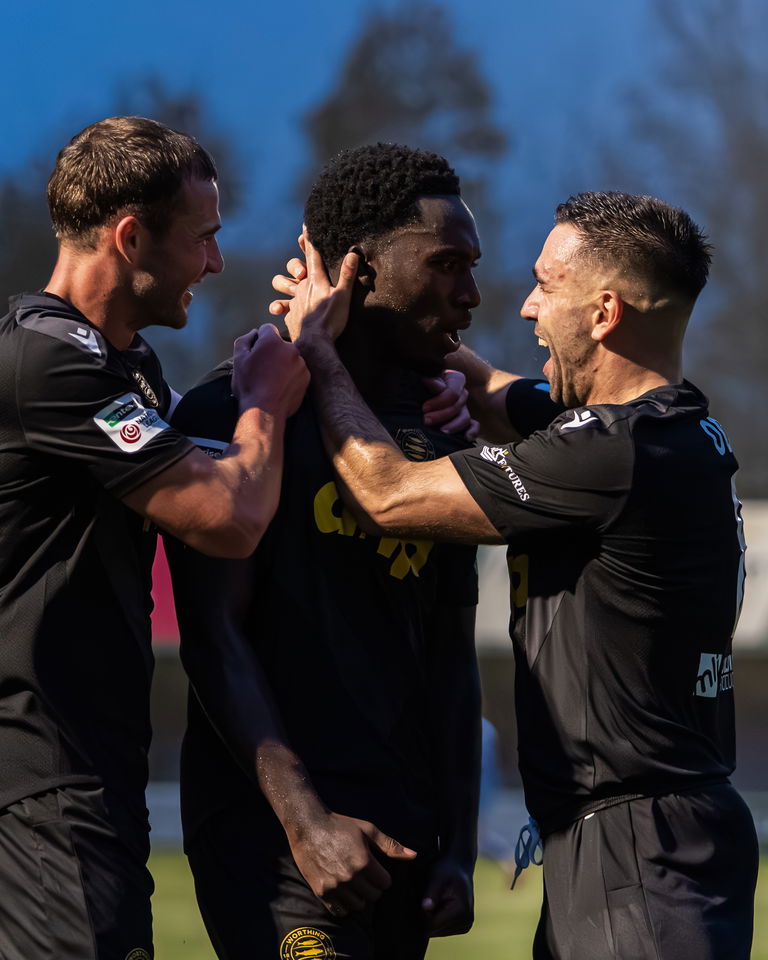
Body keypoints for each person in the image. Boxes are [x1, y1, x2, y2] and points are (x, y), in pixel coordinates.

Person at [273, 191, 759, 960]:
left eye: (546, 285)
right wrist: (405, 323)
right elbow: (497, 391)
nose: (527, 307)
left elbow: (388, 494)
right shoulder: (668, 429)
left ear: (603, 313)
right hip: (649, 839)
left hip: (636, 852)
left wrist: (319, 350)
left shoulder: (607, 453)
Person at [0, 115, 309, 960]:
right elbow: (228, 516)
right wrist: (264, 403)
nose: (213, 262)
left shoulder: (121, 366)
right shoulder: (48, 362)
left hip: (91, 771)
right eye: (203, 238)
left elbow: (202, 458)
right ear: (130, 236)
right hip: (40, 774)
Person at [166, 143, 483, 960]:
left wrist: (456, 839)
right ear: (357, 270)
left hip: (405, 838)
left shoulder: (439, 430)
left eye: (472, 267)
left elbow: (451, 656)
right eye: (446, 263)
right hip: (275, 837)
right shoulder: (234, 410)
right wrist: (304, 821)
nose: (471, 294)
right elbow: (214, 636)